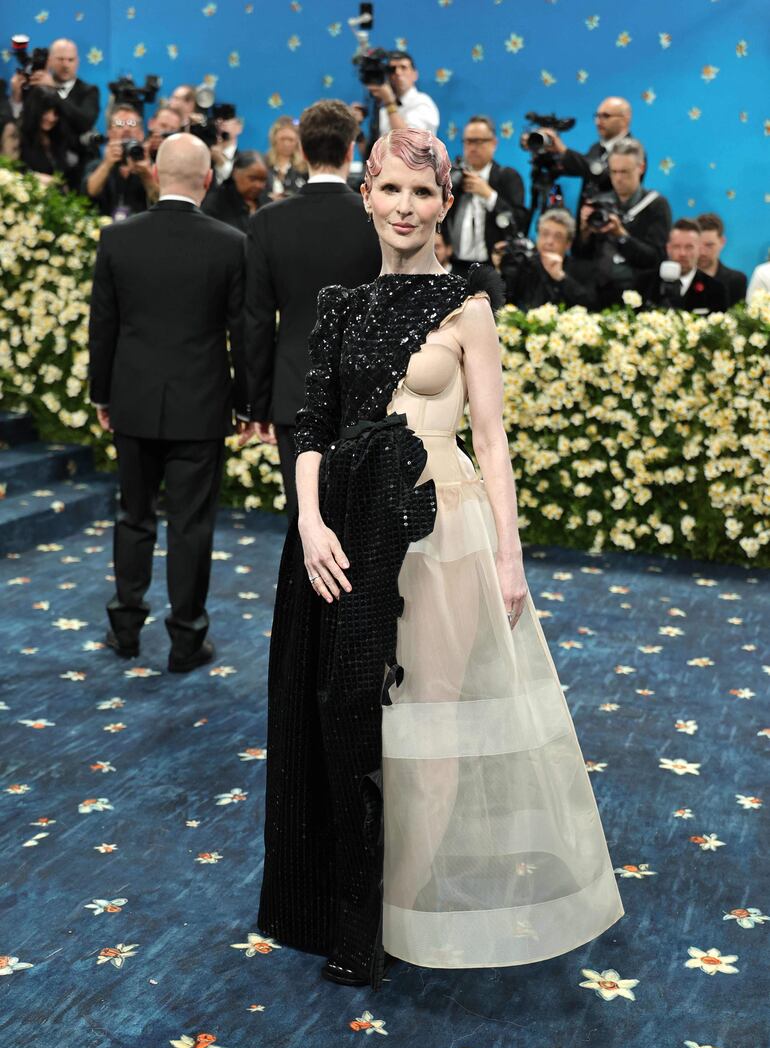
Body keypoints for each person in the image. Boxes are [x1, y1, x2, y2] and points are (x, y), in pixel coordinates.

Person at [257, 127, 624, 989]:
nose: (404, 209)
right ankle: (353, 895)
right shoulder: (339, 304)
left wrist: (510, 556)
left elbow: (492, 442)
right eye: (389, 191)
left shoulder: (468, 306)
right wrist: (308, 521)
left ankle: (406, 904)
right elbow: (310, 429)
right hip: (344, 531)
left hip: (440, 529)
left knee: (431, 717)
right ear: (367, 196)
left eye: (422, 195)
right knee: (347, 716)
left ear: (444, 206)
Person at [88, 133, 257, 672]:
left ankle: (126, 630)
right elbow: (245, 334)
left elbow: (103, 328)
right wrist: (247, 403)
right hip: (202, 407)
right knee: (191, 526)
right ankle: (186, 642)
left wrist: (102, 394)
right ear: (208, 181)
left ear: (155, 175)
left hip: (133, 401)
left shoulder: (117, 238)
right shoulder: (231, 242)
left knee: (133, 517)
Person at [244, 100, 381, 520]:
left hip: (294, 392)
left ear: (302, 151)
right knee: (364, 528)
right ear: (351, 150)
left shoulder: (267, 221)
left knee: (306, 524)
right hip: (370, 394)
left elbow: (256, 321)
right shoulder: (377, 217)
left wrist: (257, 405)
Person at [571, 138, 671, 308]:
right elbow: (580, 255)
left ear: (641, 168)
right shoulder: (599, 203)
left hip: (638, 296)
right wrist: (584, 232)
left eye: (624, 172)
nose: (618, 179)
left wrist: (621, 236)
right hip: (597, 295)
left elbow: (656, 258)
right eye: (613, 172)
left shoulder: (656, 205)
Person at [442, 115, 527, 275]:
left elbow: (519, 221)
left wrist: (489, 195)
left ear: (494, 143)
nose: (473, 147)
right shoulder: (452, 177)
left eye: (479, 141)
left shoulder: (507, 177)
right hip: (455, 265)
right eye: (468, 141)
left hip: (493, 267)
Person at [10, 38, 99, 180]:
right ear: (50, 60)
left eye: (70, 60)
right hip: (38, 161)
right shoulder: (36, 87)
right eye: (61, 59)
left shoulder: (89, 91)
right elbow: (21, 124)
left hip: (77, 166)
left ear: (78, 62)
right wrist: (16, 97)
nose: (65, 65)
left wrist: (55, 91)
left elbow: (84, 122)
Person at [529, 96, 632, 206]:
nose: (598, 122)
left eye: (605, 116)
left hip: (613, 218)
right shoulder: (596, 148)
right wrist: (550, 157)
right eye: (597, 116)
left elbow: (598, 173)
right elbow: (578, 169)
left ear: (625, 119)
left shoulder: (632, 150)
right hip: (585, 219)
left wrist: (563, 150)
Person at [494, 208, 595, 309]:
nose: (549, 241)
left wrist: (560, 277)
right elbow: (504, 300)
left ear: (568, 244)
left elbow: (590, 305)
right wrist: (499, 268)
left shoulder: (582, 269)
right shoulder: (524, 264)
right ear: (537, 237)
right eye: (545, 234)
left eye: (558, 237)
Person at [83, 104, 158, 220]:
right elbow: (90, 192)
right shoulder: (96, 166)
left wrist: (146, 174)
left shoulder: (154, 167)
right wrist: (107, 164)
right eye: (119, 124)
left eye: (132, 124)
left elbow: (161, 201)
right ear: (109, 132)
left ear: (141, 133)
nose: (126, 129)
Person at [638, 218, 728, 313]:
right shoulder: (645, 282)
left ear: (698, 249)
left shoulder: (715, 289)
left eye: (689, 247)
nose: (682, 253)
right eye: (677, 246)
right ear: (668, 248)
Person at [367, 51, 439, 141]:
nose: (397, 72)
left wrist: (390, 103)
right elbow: (377, 151)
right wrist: (359, 134)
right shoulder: (383, 109)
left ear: (415, 74)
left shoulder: (423, 102)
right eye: (392, 69)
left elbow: (408, 142)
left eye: (403, 68)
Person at [19, 85, 77, 188]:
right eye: (46, 111)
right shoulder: (19, 136)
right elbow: (11, 171)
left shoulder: (58, 137)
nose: (51, 118)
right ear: (34, 110)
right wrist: (36, 177)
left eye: (55, 113)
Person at [203, 150, 269, 232]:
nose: (259, 185)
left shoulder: (267, 203)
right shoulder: (214, 203)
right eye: (252, 178)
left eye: (263, 180)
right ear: (235, 173)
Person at [696, 212, 747, 307]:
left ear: (722, 242)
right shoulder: (679, 280)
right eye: (698, 245)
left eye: (709, 245)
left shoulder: (736, 281)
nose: (702, 252)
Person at [265, 114, 307, 198]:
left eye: (291, 140)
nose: (286, 143)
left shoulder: (305, 169)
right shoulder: (263, 165)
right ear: (274, 139)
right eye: (282, 139)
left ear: (297, 142)